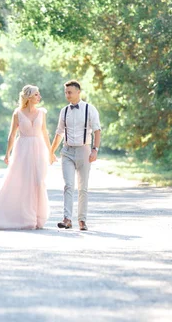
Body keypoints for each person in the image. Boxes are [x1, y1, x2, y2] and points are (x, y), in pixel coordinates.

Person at [0, 85, 56, 230]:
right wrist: (7, 153)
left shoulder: (42, 113)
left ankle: (38, 217)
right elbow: (12, 135)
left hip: (39, 148)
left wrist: (51, 152)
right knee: (23, 182)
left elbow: (45, 133)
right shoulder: (18, 113)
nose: (39, 97)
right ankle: (26, 218)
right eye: (36, 94)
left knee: (39, 181)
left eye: (39, 94)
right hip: (22, 149)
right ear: (28, 97)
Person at [50, 80, 101, 231]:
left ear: (78, 92)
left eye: (70, 92)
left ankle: (82, 220)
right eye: (66, 92)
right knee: (68, 185)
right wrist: (51, 151)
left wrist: (95, 150)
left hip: (84, 150)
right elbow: (59, 133)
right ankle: (67, 219)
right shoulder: (64, 111)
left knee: (83, 187)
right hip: (67, 151)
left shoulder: (90, 109)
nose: (67, 95)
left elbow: (97, 130)